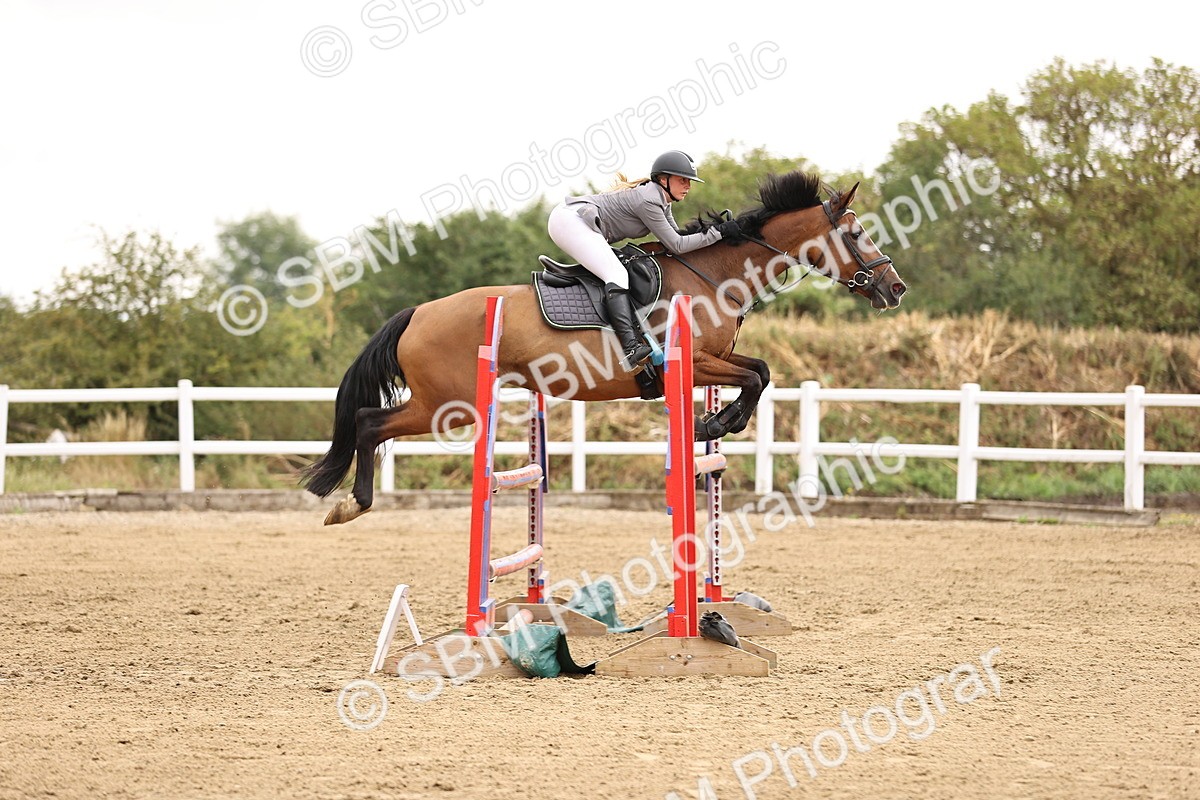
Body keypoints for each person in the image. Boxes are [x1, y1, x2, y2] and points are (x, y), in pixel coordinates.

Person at [547, 150, 741, 370]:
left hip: (577, 221)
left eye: (689, 181)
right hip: (569, 221)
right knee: (617, 274)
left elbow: (676, 238)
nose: (688, 186)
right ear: (663, 179)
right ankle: (631, 347)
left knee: (617, 269)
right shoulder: (649, 200)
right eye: (682, 180)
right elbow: (677, 245)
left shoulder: (662, 201)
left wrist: (716, 233)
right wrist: (719, 233)